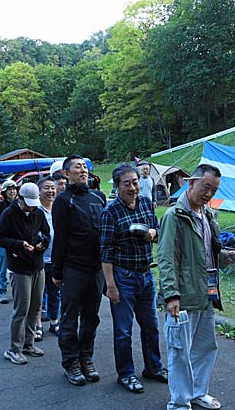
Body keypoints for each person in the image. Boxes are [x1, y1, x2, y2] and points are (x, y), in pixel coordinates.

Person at [157, 164, 234, 410]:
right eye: (206, 187)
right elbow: (166, 258)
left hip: (206, 292)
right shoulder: (174, 216)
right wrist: (171, 295)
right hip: (183, 295)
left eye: (214, 190)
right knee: (180, 349)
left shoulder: (207, 215)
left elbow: (208, 252)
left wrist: (224, 256)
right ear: (191, 183)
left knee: (205, 346)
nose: (209, 193)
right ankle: (179, 402)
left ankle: (198, 392)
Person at [101, 163, 167, 394]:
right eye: (127, 183)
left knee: (152, 326)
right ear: (117, 186)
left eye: (135, 182)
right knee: (123, 331)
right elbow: (106, 251)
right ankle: (126, 374)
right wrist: (110, 285)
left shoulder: (147, 204)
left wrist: (153, 233)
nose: (132, 187)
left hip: (146, 275)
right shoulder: (110, 212)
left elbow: (158, 232)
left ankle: (153, 367)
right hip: (123, 277)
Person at [52, 154, 107, 386]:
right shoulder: (63, 201)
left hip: (97, 269)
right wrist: (57, 271)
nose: (83, 170)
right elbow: (60, 238)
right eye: (77, 167)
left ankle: (86, 358)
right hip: (73, 268)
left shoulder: (99, 196)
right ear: (66, 173)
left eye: (85, 166)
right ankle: (71, 362)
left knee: (91, 318)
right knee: (69, 318)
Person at [0, 182, 50, 365]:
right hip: (19, 267)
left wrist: (43, 243)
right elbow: (0, 239)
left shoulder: (38, 212)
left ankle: (29, 343)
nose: (30, 207)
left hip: (37, 264)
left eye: (34, 203)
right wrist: (19, 244)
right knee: (21, 309)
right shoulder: (9, 214)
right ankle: (14, 349)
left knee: (36, 307)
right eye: (28, 203)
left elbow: (46, 233)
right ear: (19, 198)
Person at [38, 176, 60, 337]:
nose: (50, 191)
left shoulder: (60, 208)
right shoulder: (36, 209)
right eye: (46, 188)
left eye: (53, 187)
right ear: (39, 191)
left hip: (56, 258)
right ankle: (37, 325)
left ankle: (54, 321)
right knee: (38, 294)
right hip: (39, 258)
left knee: (55, 293)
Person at [0, 180, 18, 304]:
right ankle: (2, 291)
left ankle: (16, 290)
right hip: (3, 240)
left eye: (14, 189)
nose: (12, 191)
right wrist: (8, 222)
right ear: (4, 191)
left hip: (17, 240)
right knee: (3, 266)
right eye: (9, 189)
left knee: (16, 268)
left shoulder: (20, 204)